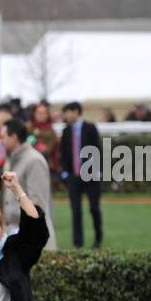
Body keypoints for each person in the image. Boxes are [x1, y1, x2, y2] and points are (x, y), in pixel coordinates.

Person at [2, 118, 57, 250]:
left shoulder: (34, 161)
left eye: (3, 136)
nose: (1, 140)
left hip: (34, 241)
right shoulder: (10, 160)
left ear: (14, 137)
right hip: (15, 236)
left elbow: (38, 206)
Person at [58, 101, 103, 248]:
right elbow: (63, 153)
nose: (66, 115)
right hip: (73, 177)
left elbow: (97, 150)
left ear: (76, 112)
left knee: (94, 208)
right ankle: (78, 243)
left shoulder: (90, 128)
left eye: (68, 112)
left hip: (91, 176)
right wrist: (65, 172)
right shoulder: (66, 131)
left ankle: (98, 239)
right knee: (76, 210)